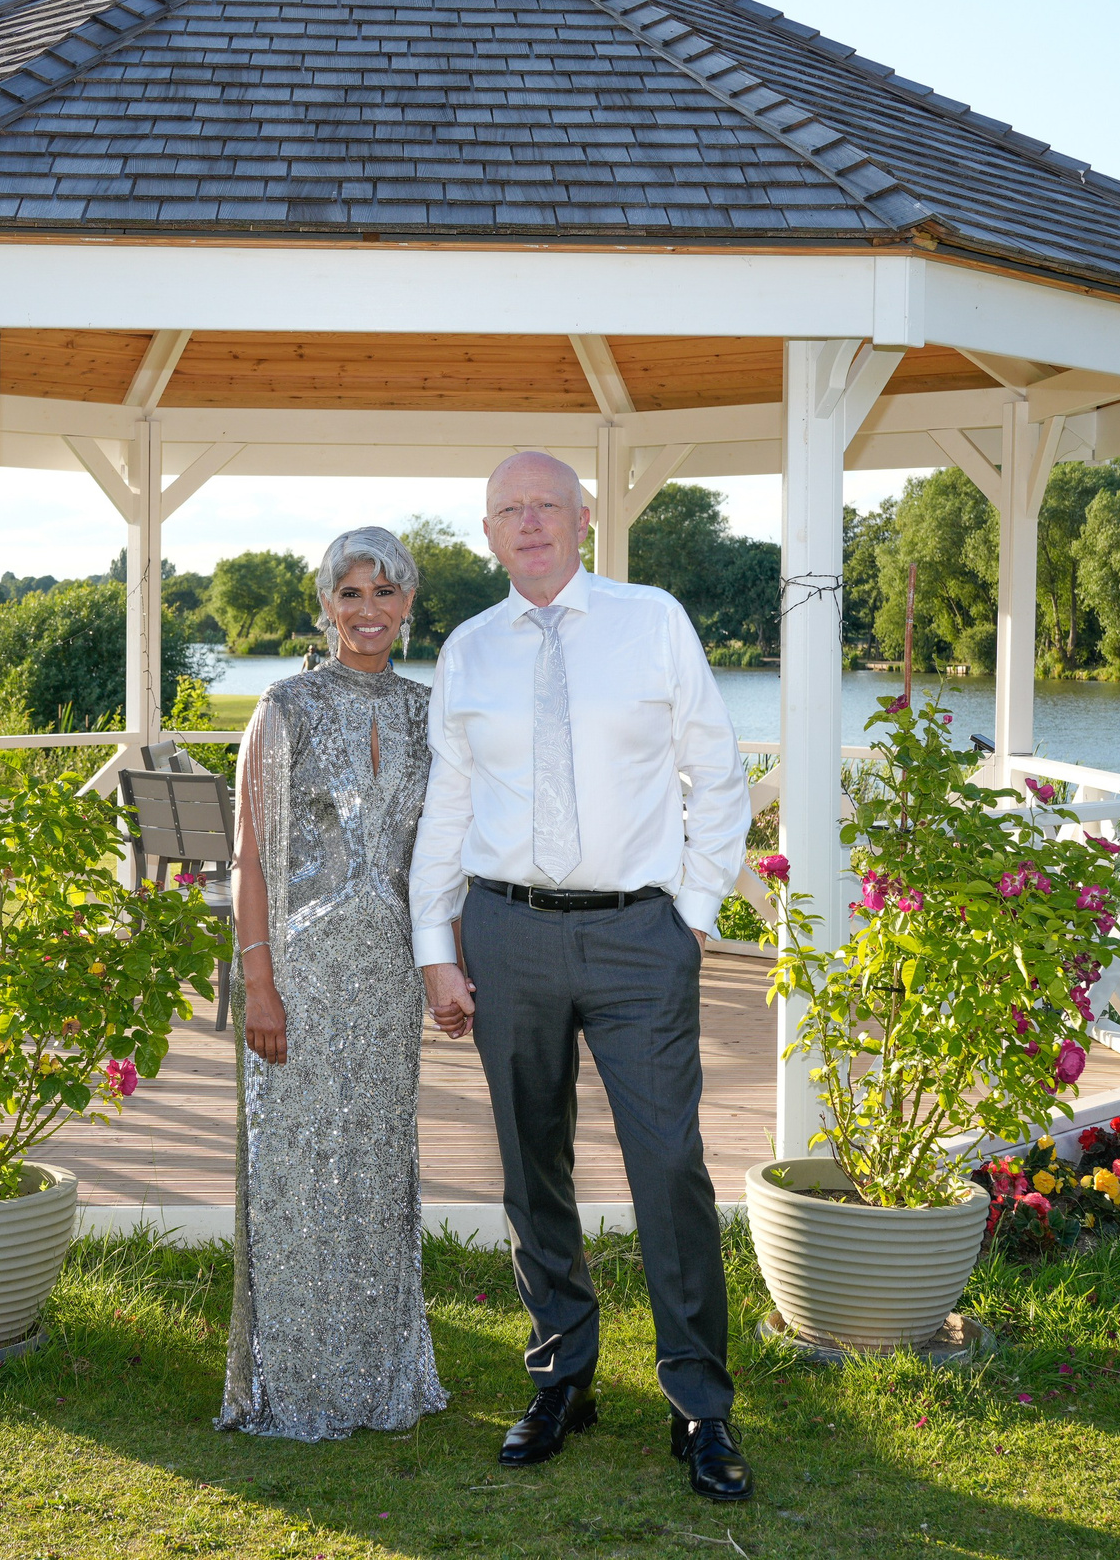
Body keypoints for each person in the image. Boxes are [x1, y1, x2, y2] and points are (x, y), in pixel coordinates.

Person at [409, 452, 755, 1502]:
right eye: (507, 510)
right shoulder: (468, 652)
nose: (528, 524)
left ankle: (699, 1402)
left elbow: (719, 774)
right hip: (506, 933)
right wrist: (436, 947)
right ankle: (562, 1374)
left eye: (545, 506)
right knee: (530, 1165)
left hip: (636, 936)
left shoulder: (652, 621)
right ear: (487, 533)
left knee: (670, 1166)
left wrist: (690, 919)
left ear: (584, 519)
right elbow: (448, 808)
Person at [219, 526, 450, 1440]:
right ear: (325, 601)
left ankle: (380, 1370)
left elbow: (443, 853)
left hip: (391, 973)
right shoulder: (285, 705)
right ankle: (300, 1378)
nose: (368, 612)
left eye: (386, 594)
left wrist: (448, 967)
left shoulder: (431, 711)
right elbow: (248, 858)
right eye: (350, 593)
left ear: (409, 606)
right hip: (301, 974)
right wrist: (260, 986)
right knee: (297, 1170)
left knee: (377, 1167)